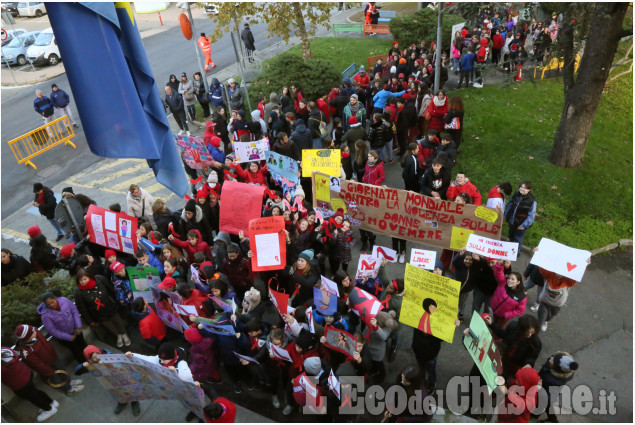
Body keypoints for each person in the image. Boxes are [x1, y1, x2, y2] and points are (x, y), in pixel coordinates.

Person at [13, 324, 84, 396]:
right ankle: (68, 389)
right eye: (32, 332)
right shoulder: (26, 352)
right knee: (57, 378)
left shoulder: (35, 332)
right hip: (48, 367)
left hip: (53, 357)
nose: (35, 331)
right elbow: (38, 365)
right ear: (27, 338)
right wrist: (49, 372)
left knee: (62, 370)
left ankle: (68, 381)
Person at [74, 268, 131, 348]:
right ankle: (118, 335)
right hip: (97, 314)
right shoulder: (78, 292)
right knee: (109, 325)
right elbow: (82, 308)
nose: (83, 282)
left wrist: (118, 301)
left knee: (118, 321)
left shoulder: (100, 279)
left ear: (89, 277)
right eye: (80, 280)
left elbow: (111, 289)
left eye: (85, 279)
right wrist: (89, 321)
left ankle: (124, 334)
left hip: (110, 306)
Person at [2, 347, 60, 422]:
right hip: (26, 374)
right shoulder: (5, 350)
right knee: (35, 391)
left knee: (33, 397)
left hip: (20, 384)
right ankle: (51, 402)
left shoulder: (3, 366)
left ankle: (49, 409)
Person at [38, 291, 87, 364]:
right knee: (76, 351)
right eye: (48, 304)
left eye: (52, 302)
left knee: (84, 345)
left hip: (76, 330)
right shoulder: (45, 315)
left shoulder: (65, 301)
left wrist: (78, 326)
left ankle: (91, 357)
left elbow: (74, 312)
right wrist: (68, 337)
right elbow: (52, 330)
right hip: (65, 338)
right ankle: (84, 364)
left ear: (55, 298)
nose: (51, 305)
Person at [539, 352, 579, 422]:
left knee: (545, 405)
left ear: (555, 368)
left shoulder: (548, 379)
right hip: (548, 393)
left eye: (553, 360)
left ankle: (551, 420)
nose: (551, 358)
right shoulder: (564, 370)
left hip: (546, 395)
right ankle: (552, 419)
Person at [504, 181, 537, 246]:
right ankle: (509, 249)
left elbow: (531, 215)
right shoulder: (516, 194)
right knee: (511, 235)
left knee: (517, 239)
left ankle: (516, 253)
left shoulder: (532, 201)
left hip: (521, 223)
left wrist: (524, 225)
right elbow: (509, 205)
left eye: (524, 188)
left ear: (529, 190)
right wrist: (506, 215)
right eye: (521, 187)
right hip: (512, 220)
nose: (522, 189)